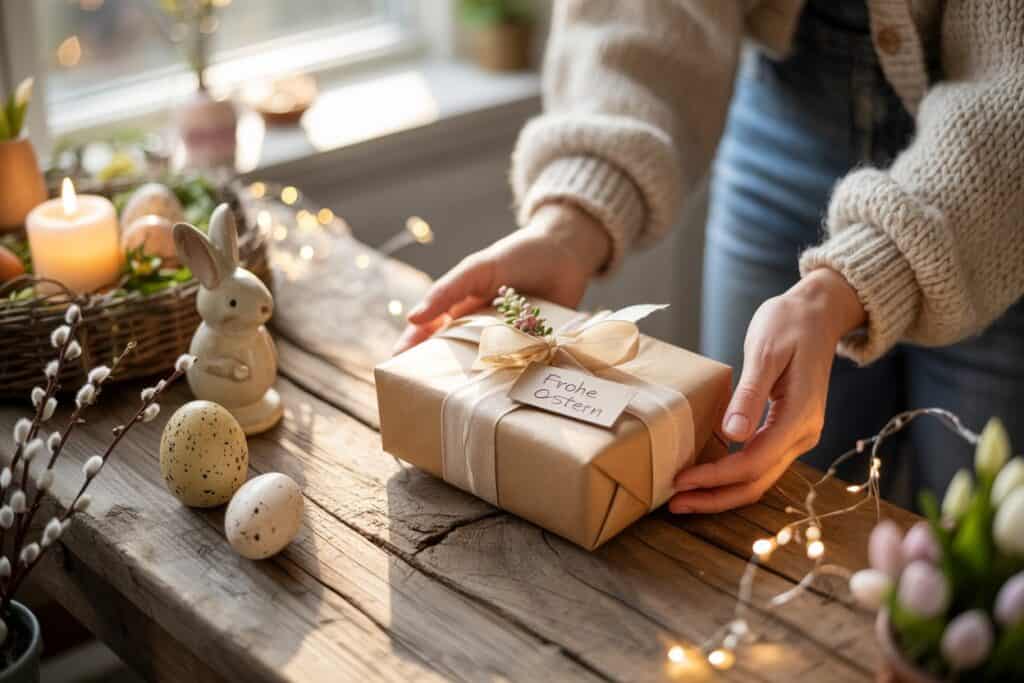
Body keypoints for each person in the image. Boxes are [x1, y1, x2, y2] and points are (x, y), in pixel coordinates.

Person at [395, 1, 1024, 513]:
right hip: (787, 105)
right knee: (746, 500)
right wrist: (572, 222)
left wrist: (857, 279)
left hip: (1006, 187)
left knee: (971, 572)